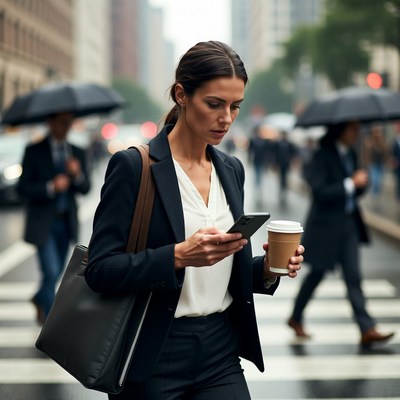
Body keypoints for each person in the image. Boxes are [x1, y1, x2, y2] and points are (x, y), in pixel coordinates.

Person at [85, 41, 304, 400]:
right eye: (214, 104)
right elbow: (100, 270)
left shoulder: (231, 169)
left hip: (220, 349)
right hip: (154, 351)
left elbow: (220, 274)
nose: (227, 118)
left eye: (235, 106)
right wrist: (177, 256)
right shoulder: (133, 167)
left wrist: (267, 268)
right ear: (181, 94)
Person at [287, 121, 394, 347]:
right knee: (316, 274)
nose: (357, 134)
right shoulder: (322, 155)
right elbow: (319, 192)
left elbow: (357, 190)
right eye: (353, 129)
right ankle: (295, 317)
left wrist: (362, 182)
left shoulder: (352, 153)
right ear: (341, 131)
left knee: (353, 276)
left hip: (349, 226)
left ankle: (367, 328)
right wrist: (349, 183)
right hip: (325, 227)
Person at [17, 112, 91, 324]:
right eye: (62, 123)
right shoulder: (34, 151)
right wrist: (50, 186)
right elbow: (23, 188)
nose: (66, 127)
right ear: (50, 123)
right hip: (43, 223)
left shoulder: (76, 152)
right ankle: (50, 323)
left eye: (69, 123)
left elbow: (85, 189)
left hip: (66, 222)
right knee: (50, 271)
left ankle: (40, 298)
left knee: (56, 272)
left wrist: (77, 174)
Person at [362, 124, 389, 209]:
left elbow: (385, 151)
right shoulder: (368, 141)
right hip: (372, 164)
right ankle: (374, 197)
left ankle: (377, 197)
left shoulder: (382, 141)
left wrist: (380, 141)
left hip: (380, 164)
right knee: (375, 181)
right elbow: (365, 153)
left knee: (379, 181)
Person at [274, 130, 298, 207]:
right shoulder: (278, 144)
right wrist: (275, 163)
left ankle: (284, 189)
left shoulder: (289, 144)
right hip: (280, 164)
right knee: (281, 178)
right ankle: (282, 189)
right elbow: (275, 154)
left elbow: (294, 152)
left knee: (285, 177)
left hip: (286, 164)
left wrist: (291, 159)